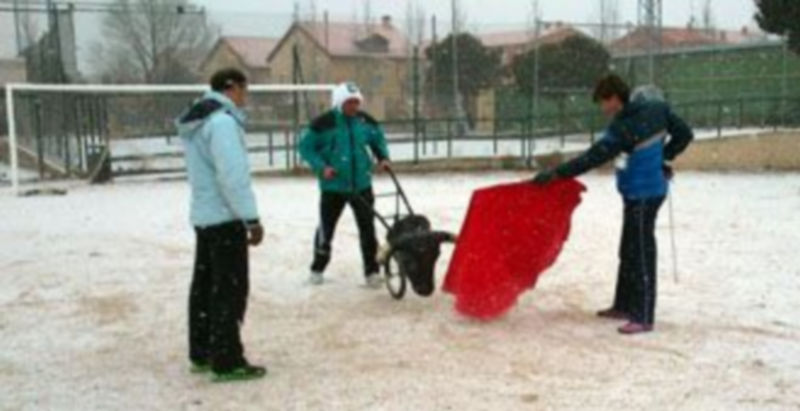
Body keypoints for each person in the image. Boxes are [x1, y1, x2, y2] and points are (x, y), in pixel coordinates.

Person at [533, 74, 694, 335]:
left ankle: (643, 316)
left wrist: (557, 173)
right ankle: (624, 305)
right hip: (637, 192)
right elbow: (685, 135)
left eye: (603, 102)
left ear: (615, 98)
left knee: (641, 252)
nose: (603, 109)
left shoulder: (623, 126)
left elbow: (592, 157)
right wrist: (665, 157)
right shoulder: (657, 110)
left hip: (645, 192)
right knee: (629, 249)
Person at [176, 68, 266, 381]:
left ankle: (201, 351)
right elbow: (232, 176)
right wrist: (251, 218)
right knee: (229, 289)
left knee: (204, 286)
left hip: (205, 216)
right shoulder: (223, 123)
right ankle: (226, 359)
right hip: (225, 218)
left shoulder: (200, 120)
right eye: (244, 89)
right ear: (232, 88)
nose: (245, 97)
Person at [299, 82, 391, 288]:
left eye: (356, 102)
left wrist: (383, 157)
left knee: (368, 229)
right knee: (326, 228)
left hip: (362, 184)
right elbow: (305, 148)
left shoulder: (364, 121)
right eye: (349, 102)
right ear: (339, 102)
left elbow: (378, 139)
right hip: (334, 187)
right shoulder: (324, 123)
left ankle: (372, 272)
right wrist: (322, 167)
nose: (354, 106)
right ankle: (317, 269)